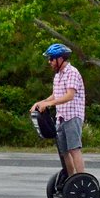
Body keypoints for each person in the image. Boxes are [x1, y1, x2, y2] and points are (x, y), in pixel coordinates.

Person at [30, 43, 86, 176]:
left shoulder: (72, 72)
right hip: (61, 117)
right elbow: (56, 95)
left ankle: (81, 178)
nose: (49, 62)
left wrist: (50, 104)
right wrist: (41, 103)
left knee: (74, 149)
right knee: (64, 151)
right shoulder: (58, 75)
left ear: (60, 59)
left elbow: (69, 95)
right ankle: (70, 179)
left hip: (72, 116)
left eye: (51, 59)